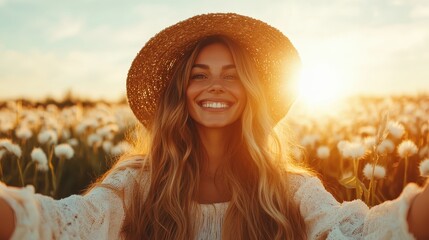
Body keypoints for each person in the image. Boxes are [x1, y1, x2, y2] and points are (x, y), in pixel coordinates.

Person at [0, 12, 428, 240]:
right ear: (180, 92)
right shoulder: (139, 184)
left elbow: (361, 234)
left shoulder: (289, 189)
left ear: (252, 90)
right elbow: (56, 225)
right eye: (199, 74)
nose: (215, 86)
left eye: (233, 73)